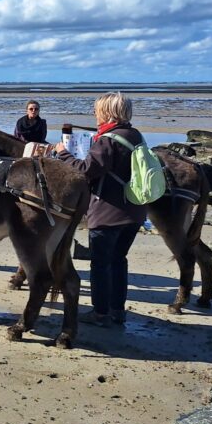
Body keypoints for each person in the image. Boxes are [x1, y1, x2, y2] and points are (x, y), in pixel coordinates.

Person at [54, 92, 145, 328]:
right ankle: (117, 311)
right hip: (134, 211)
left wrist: (63, 152)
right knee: (118, 261)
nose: (95, 115)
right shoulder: (135, 135)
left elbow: (84, 170)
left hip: (108, 212)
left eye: (97, 110)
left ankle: (100, 313)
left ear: (108, 112)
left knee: (101, 264)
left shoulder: (108, 139)